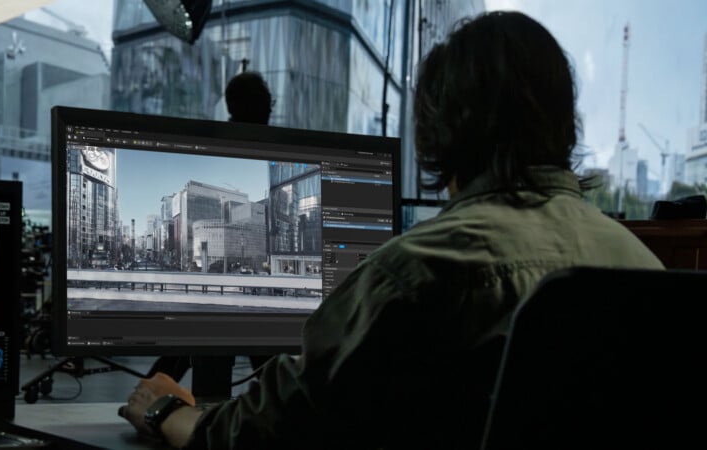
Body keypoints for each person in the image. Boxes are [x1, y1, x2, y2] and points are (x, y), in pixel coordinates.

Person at [120, 11, 664, 449]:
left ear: (439, 131)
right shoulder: (643, 265)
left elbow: (265, 434)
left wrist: (166, 410)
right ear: (565, 122)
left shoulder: (414, 273)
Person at [145, 70, 275, 382]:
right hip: (246, 299)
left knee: (186, 346)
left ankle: (149, 399)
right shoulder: (273, 145)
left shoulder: (209, 139)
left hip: (217, 294)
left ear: (230, 105)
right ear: (268, 105)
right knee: (265, 359)